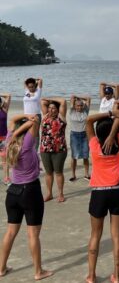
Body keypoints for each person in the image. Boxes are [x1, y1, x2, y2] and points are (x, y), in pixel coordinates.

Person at [0, 114, 53, 280]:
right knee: (33, 234)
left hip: (13, 192)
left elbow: (13, 121)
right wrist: (29, 120)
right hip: (30, 192)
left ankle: (1, 268)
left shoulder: (9, 141)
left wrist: (22, 120)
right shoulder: (27, 142)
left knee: (10, 232)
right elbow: (35, 121)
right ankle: (38, 271)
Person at [85, 103, 119, 283]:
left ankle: (92, 276)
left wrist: (109, 112)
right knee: (116, 235)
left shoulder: (95, 146)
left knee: (95, 235)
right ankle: (116, 276)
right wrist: (112, 134)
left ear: (97, 132)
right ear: (113, 132)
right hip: (117, 191)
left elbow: (88, 121)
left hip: (99, 193)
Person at [40, 98, 68, 202]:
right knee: (48, 172)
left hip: (59, 150)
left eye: (54, 108)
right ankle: (49, 194)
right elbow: (42, 101)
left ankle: (61, 194)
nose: (51, 110)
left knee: (58, 172)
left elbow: (63, 101)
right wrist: (49, 102)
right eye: (50, 108)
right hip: (45, 149)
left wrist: (50, 100)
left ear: (58, 109)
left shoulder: (61, 117)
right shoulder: (45, 116)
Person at [69, 95, 91, 182]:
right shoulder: (71, 111)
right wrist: (77, 99)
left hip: (85, 135)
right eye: (78, 105)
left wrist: (80, 99)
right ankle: (73, 175)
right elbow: (72, 97)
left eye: (81, 105)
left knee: (85, 155)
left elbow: (88, 98)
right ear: (74, 106)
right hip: (74, 135)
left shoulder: (86, 111)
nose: (79, 107)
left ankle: (86, 174)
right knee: (74, 156)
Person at [23, 78, 43, 150]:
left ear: (35, 85)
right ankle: (28, 146)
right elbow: (25, 81)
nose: (31, 88)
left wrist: (35, 80)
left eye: (32, 86)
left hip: (36, 115)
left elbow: (40, 80)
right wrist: (30, 81)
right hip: (26, 115)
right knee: (27, 131)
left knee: (36, 133)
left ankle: (35, 149)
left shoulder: (38, 91)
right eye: (29, 87)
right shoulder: (26, 91)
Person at [0, 93, 11, 184]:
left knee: (4, 159)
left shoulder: (4, 110)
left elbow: (8, 95)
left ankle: (7, 178)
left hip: (3, 138)